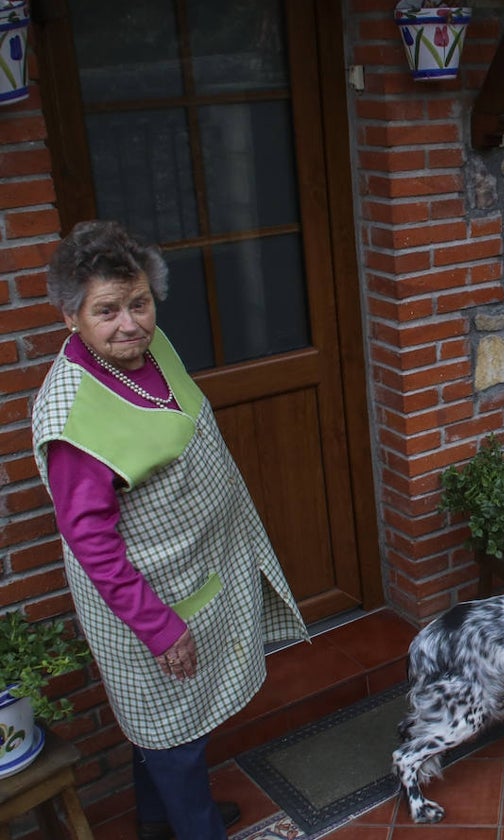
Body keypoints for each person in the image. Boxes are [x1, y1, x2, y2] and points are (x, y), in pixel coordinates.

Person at [30, 221, 310, 840]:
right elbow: (92, 545)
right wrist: (159, 627)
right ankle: (196, 828)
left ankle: (159, 822)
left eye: (139, 303)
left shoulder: (148, 350)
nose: (130, 323)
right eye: (107, 311)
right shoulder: (74, 417)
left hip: (194, 572)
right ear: (69, 317)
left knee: (160, 725)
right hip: (149, 600)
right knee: (173, 735)